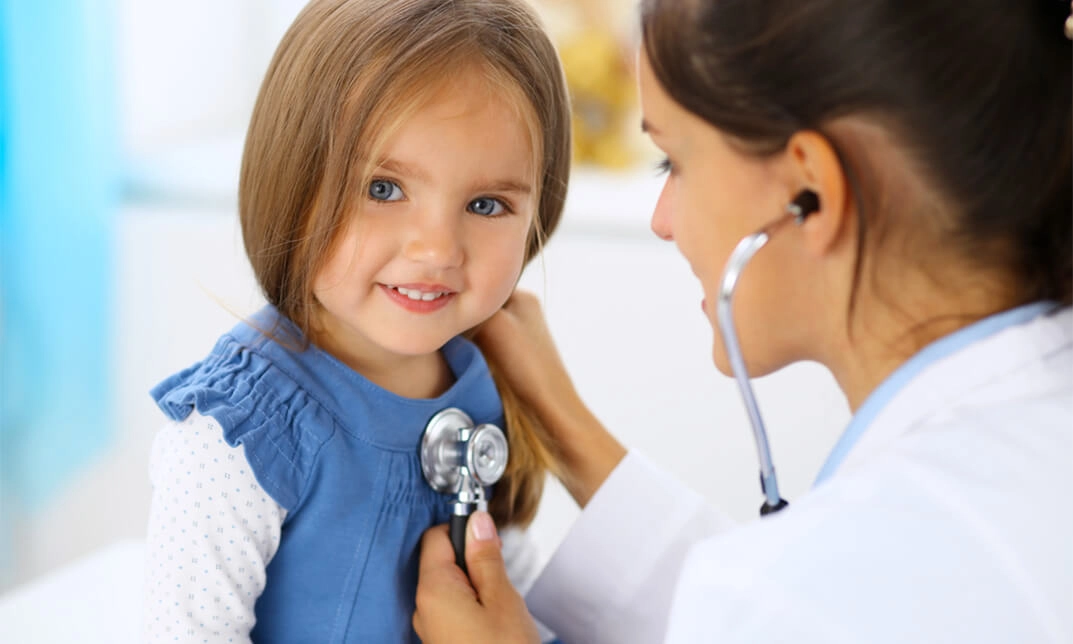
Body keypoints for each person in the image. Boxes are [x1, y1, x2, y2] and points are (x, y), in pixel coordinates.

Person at [412, 1, 1073, 642]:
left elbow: (801, 604)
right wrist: (566, 425)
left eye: (673, 162)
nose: (661, 219)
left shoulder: (836, 581)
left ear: (809, 193)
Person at [142, 0, 571, 641]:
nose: (436, 250)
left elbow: (513, 595)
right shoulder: (236, 437)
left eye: (486, 203)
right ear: (292, 176)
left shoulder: (476, 383)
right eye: (383, 189)